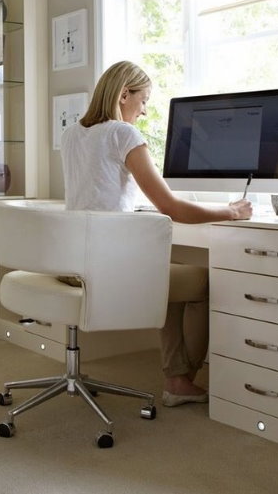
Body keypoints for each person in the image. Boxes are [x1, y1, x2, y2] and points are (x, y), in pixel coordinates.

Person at [60, 60, 253, 407]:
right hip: (104, 269)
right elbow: (171, 208)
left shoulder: (72, 133)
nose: (146, 111)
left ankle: (176, 376)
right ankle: (180, 379)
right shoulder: (123, 134)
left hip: (73, 264)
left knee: (169, 270)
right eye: (144, 100)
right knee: (202, 283)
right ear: (123, 95)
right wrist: (230, 211)